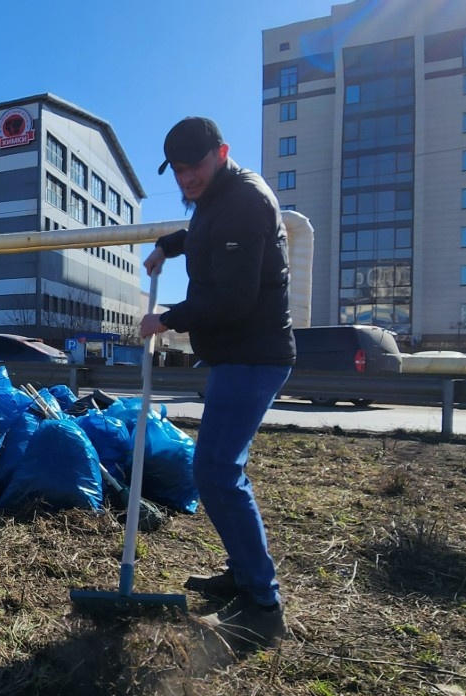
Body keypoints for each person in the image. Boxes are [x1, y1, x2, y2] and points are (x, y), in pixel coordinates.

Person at [141, 117, 296, 649]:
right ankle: (243, 574)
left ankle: (263, 603)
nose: (187, 179)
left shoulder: (245, 200)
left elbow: (232, 300)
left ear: (221, 153)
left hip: (253, 356)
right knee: (218, 470)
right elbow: (203, 233)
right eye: (179, 170)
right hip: (237, 355)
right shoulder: (217, 199)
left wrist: (166, 318)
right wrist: (168, 244)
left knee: (215, 471)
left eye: (196, 166)